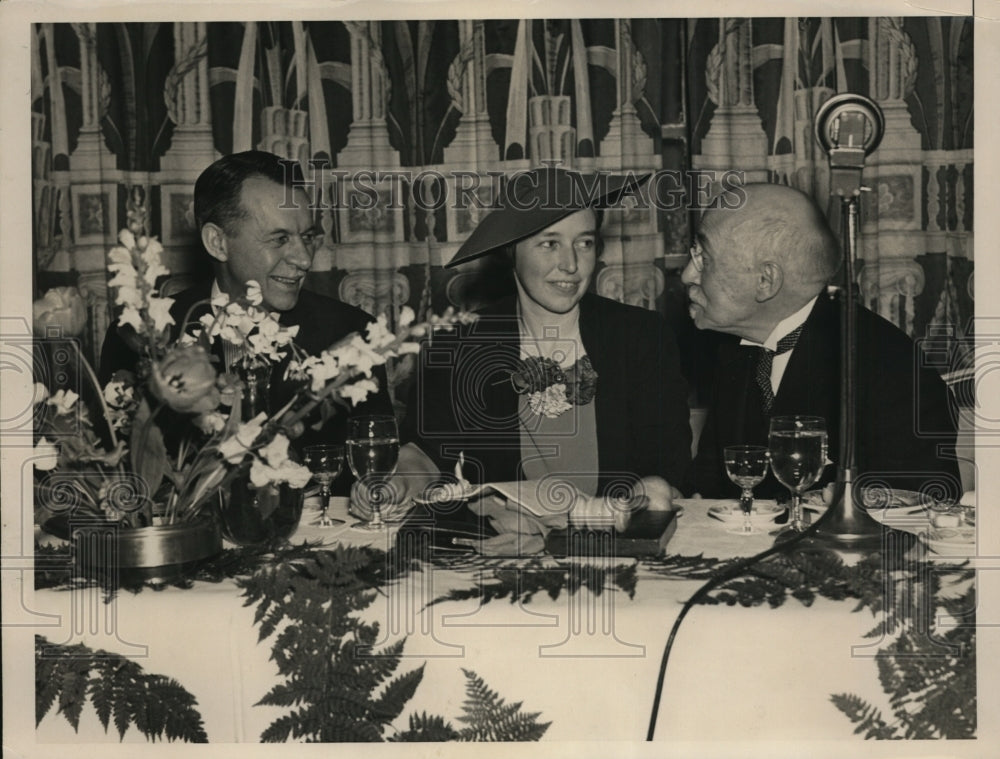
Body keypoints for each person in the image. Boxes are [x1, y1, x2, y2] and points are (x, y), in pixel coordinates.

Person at [377, 166, 692, 512]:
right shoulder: (462, 342)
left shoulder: (641, 335)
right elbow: (425, 453)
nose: (570, 264)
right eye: (550, 244)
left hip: (615, 538)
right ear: (512, 251)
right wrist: (397, 482)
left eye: (584, 243)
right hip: (503, 541)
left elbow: (666, 467)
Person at [98, 151, 393, 479]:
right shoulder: (140, 338)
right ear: (218, 242)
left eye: (307, 237)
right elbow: (122, 479)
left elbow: (373, 473)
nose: (304, 260)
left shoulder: (351, 333)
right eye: (280, 239)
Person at [682, 182, 960, 501]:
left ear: (765, 281)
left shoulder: (889, 368)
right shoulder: (736, 352)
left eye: (704, 259)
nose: (688, 275)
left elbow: (923, 506)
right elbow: (708, 486)